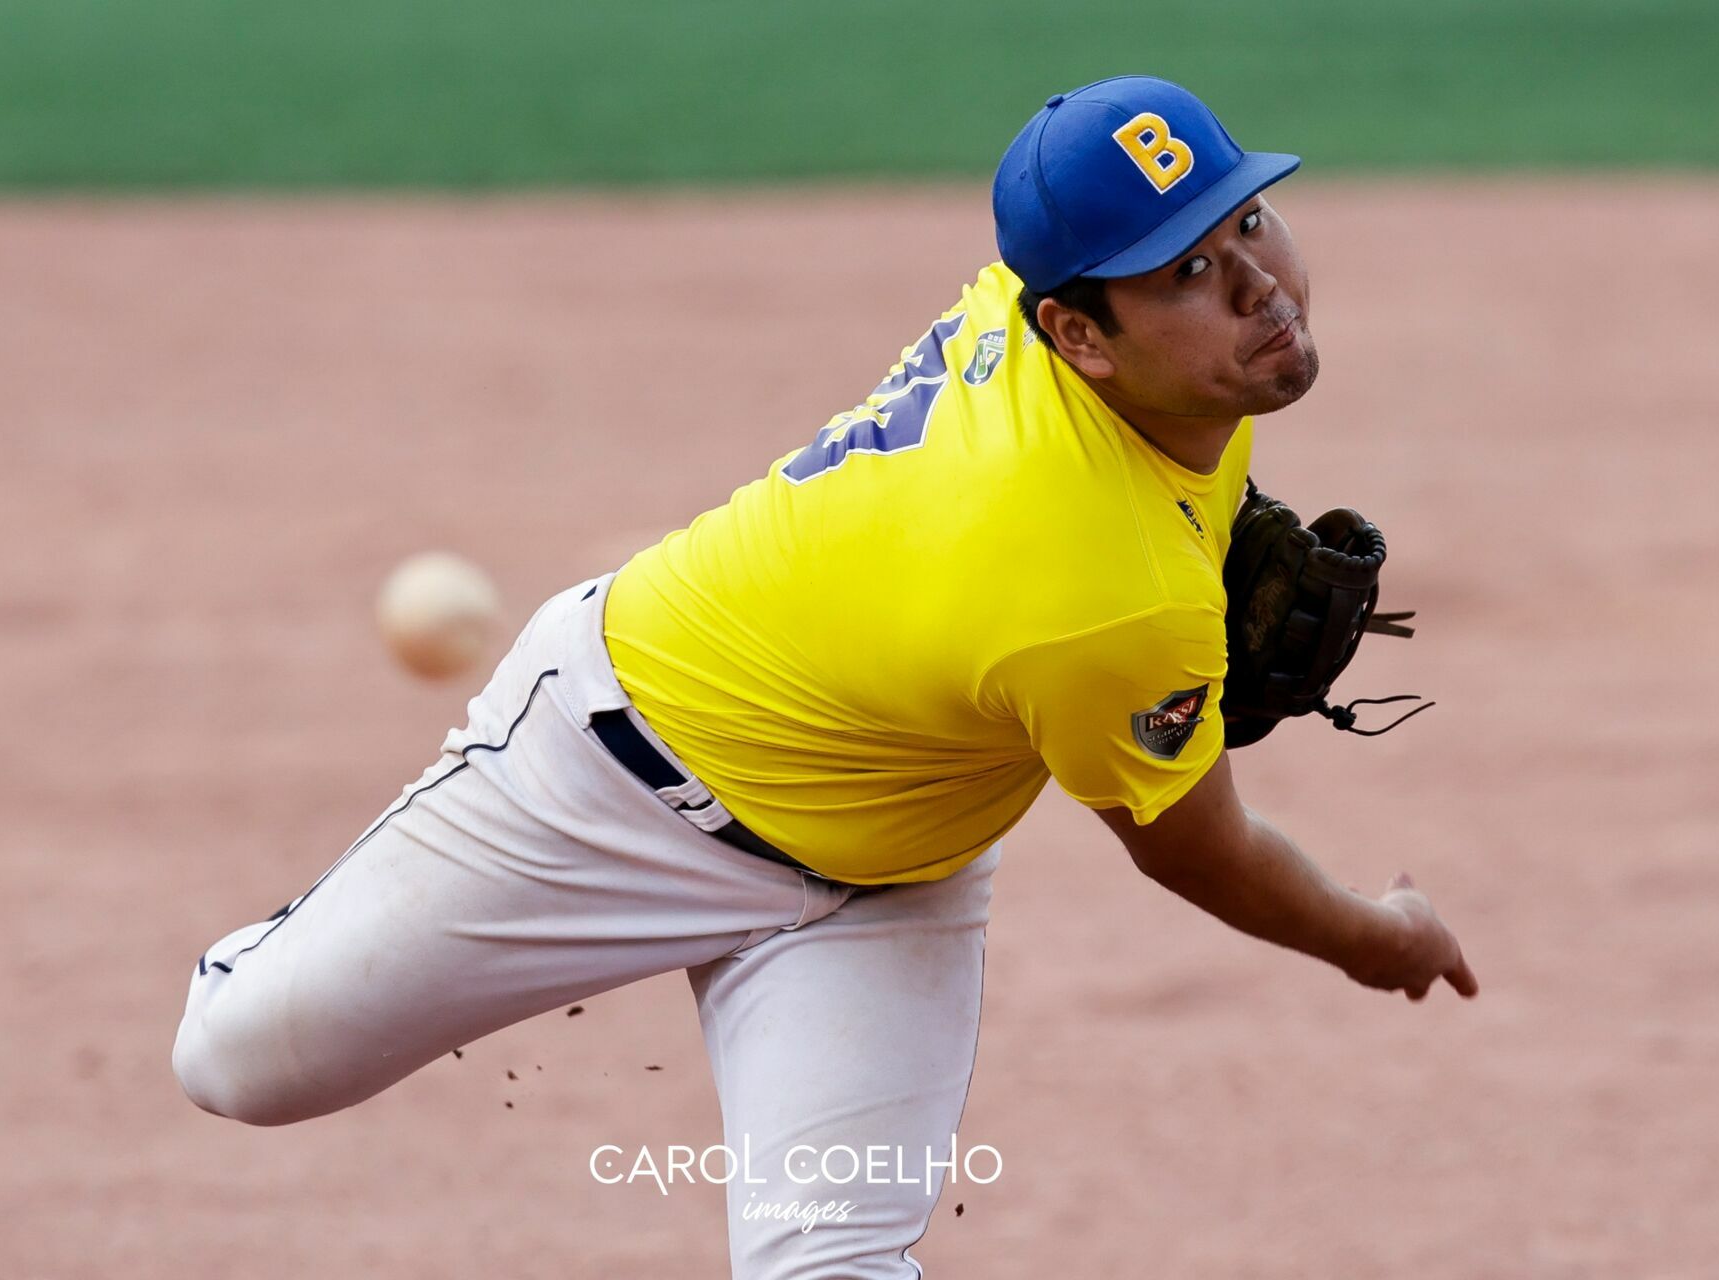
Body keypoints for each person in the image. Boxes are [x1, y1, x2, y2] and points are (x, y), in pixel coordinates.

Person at [172, 75, 1476, 1278]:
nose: (1259, 284)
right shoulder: (1104, 595)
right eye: (1189, 267)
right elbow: (1201, 852)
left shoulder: (1073, 329)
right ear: (1077, 335)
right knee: (235, 1063)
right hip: (612, 775)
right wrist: (1376, 934)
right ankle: (305, 932)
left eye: (1251, 219)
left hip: (882, 889)